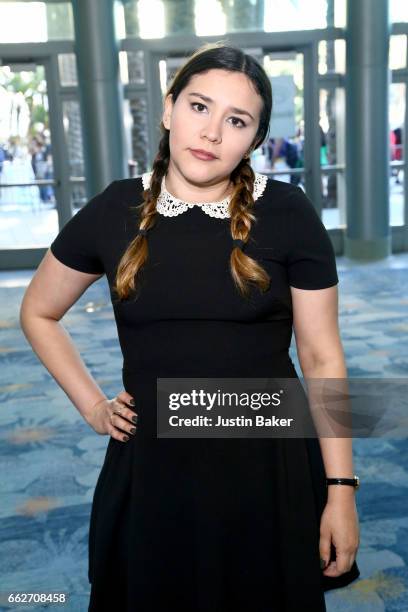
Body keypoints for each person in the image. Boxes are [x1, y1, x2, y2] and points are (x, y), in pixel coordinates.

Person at [20, 43, 360, 611]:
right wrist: (92, 406)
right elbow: (38, 311)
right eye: (199, 107)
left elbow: (324, 360)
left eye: (236, 120)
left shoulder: (289, 214)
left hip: (265, 468)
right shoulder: (116, 210)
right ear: (168, 108)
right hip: (154, 468)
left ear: (253, 139)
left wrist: (341, 493)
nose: (211, 133)